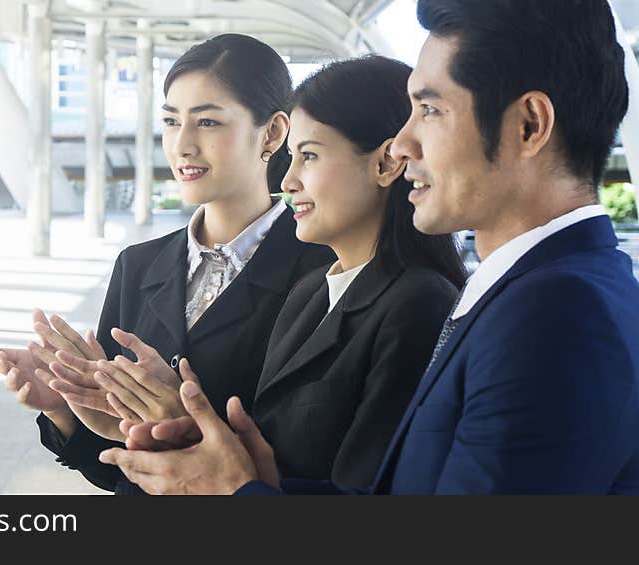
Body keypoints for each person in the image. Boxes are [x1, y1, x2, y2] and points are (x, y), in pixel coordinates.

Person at [99, 0, 639, 495]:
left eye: (430, 110)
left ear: (528, 125)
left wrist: (240, 494)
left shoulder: (558, 312)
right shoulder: (529, 292)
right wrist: (241, 472)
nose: (403, 145)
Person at [79, 56, 465, 490]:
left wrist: (236, 482)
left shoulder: (419, 304)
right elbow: (262, 459)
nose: (290, 181)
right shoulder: (311, 294)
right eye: (292, 158)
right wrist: (181, 422)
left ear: (385, 164)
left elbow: (372, 491)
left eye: (310, 156)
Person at [0, 34, 334, 494]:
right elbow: (116, 470)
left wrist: (178, 421)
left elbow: (309, 465)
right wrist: (66, 409)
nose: (182, 145)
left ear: (271, 132)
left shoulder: (325, 269)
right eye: (171, 122)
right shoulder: (138, 266)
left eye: (207, 121)